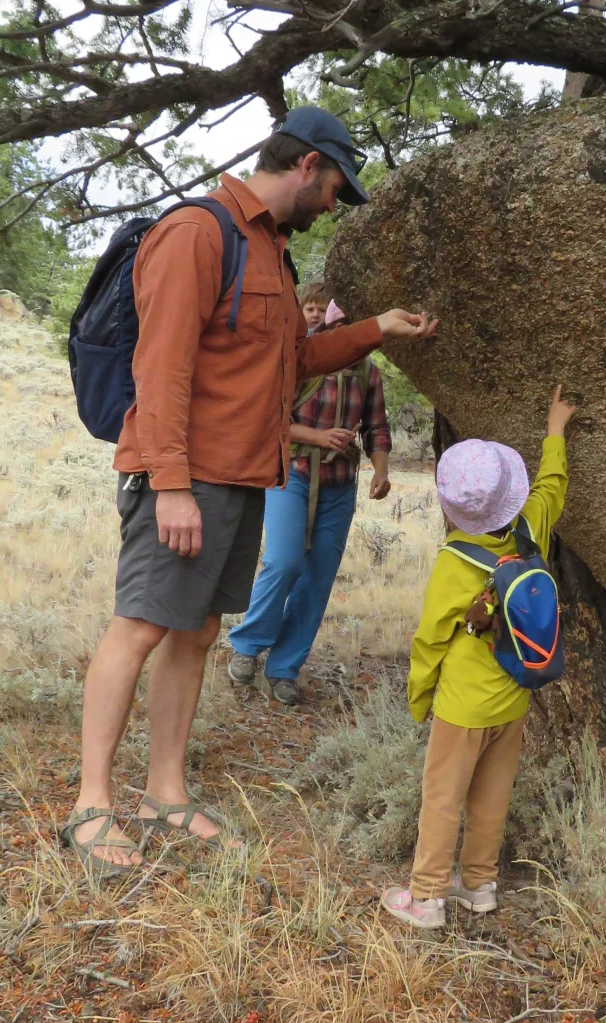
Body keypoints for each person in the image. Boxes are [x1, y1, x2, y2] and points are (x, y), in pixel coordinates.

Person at [62, 106, 439, 876]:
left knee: (197, 632)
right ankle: (90, 804)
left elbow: (288, 362)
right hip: (185, 477)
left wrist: (375, 328)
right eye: (335, 187)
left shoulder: (272, 252)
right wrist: (169, 485)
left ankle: (164, 791)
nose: (334, 204)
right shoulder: (199, 234)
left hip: (241, 478)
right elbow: (160, 368)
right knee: (138, 627)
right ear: (306, 166)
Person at [381, 386, 576, 928]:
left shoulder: (453, 563)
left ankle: (425, 899)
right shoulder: (530, 531)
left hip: (461, 707)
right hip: (513, 700)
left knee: (443, 798)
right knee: (491, 797)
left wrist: (421, 699)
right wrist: (555, 431)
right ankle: (479, 885)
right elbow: (552, 487)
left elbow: (430, 642)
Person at [226, 295, 392, 704]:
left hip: (339, 485)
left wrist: (382, 469)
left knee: (317, 577)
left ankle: (284, 668)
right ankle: (248, 646)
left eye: (332, 313)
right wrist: (317, 437)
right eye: (314, 310)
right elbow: (268, 416)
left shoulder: (367, 372)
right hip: (291, 474)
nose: (324, 319)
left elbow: (377, 426)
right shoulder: (297, 361)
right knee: (284, 561)